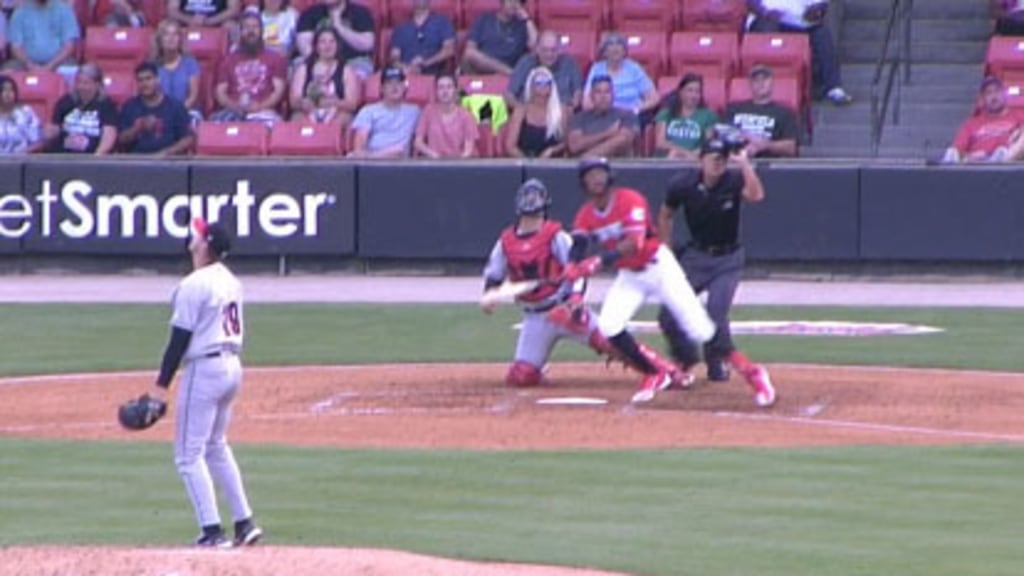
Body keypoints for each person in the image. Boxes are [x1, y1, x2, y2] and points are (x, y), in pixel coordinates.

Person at [140, 217, 263, 548]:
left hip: (205, 370)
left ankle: (212, 531)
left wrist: (160, 388)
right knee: (216, 446)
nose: (192, 237)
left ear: (204, 244)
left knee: (187, 455)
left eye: (197, 234)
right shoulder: (231, 280)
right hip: (232, 368)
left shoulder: (194, 284)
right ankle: (244, 522)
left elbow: (178, 340)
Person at [563, 157, 715, 403]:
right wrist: (572, 265)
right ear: (583, 182)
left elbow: (635, 243)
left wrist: (597, 262)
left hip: (658, 266)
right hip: (630, 275)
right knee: (609, 326)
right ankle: (654, 373)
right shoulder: (586, 215)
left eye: (600, 173)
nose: (597, 179)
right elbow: (579, 244)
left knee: (699, 327)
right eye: (591, 175)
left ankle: (740, 369)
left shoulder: (629, 199)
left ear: (609, 176)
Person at [656, 138, 777, 408]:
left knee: (716, 312)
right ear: (701, 159)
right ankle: (685, 359)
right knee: (668, 312)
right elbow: (665, 213)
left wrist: (744, 163)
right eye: (713, 157)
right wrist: (666, 248)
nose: (718, 162)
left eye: (722, 158)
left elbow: (756, 195)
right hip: (696, 255)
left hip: (727, 257)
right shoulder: (683, 184)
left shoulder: (733, 181)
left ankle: (716, 361)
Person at [482, 178, 626, 388]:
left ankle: (663, 370)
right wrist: (490, 295)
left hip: (564, 309)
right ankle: (538, 368)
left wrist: (575, 299)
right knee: (521, 377)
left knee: (612, 343)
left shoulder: (555, 236)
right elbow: (494, 275)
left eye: (535, 197)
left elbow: (577, 269)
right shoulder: (505, 242)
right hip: (535, 317)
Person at [746, 0, 852, 105]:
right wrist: (766, 12)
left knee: (821, 33)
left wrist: (816, 11)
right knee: (768, 28)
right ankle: (764, 85)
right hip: (767, 18)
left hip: (798, 21)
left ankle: (833, 87)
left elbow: (821, 5)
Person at [210, 12, 288, 123]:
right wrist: (235, 106)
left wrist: (259, 106)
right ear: (240, 31)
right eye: (246, 27)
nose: (251, 31)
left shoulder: (275, 59)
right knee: (214, 125)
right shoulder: (228, 60)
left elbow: (278, 91)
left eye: (255, 27)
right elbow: (220, 92)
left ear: (262, 31)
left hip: (264, 111)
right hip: (233, 110)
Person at [288, 26, 359, 128]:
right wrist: (303, 103)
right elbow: (294, 101)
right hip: (308, 111)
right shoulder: (303, 69)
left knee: (345, 118)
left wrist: (331, 102)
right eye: (323, 42)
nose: (328, 46)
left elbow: (352, 104)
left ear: (337, 45)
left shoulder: (346, 70)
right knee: (296, 118)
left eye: (332, 41)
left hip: (336, 112)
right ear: (316, 46)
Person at [118, 61, 195, 155]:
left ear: (158, 79)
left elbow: (187, 139)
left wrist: (166, 153)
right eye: (140, 80)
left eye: (148, 79)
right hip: (137, 160)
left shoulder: (175, 106)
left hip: (168, 162)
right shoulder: (130, 106)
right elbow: (121, 140)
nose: (144, 84)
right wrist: (137, 129)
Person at [942, 76, 1024, 164]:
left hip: (1007, 161)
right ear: (983, 99)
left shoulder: (1018, 116)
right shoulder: (971, 124)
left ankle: (1000, 159)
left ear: (1004, 94)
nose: (994, 96)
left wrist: (1018, 133)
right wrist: (971, 156)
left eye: (997, 91)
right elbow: (959, 149)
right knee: (952, 152)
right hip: (977, 165)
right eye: (989, 93)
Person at [723, 65, 799, 158]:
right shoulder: (734, 108)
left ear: (772, 82)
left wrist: (765, 145)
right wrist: (747, 138)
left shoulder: (784, 113)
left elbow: (791, 148)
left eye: (765, 79)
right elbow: (722, 133)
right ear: (750, 84)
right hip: (735, 161)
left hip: (768, 164)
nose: (761, 83)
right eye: (756, 80)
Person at [42, 63, 118, 155]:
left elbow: (109, 136)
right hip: (63, 156)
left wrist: (96, 158)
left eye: (86, 83)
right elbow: (54, 127)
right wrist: (50, 132)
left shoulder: (106, 105)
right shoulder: (66, 101)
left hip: (90, 157)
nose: (81, 87)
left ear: (97, 85)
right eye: (78, 82)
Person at [583, 32, 659, 122]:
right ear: (604, 52)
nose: (615, 48)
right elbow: (587, 102)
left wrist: (636, 109)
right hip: (605, 115)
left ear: (624, 51)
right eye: (610, 44)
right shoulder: (597, 69)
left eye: (619, 44)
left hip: (631, 114)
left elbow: (654, 98)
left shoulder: (634, 68)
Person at [347, 65, 420, 158]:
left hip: (402, 163)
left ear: (404, 87)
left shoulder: (415, 111)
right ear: (382, 88)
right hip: (373, 161)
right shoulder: (368, 111)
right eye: (389, 83)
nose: (394, 87)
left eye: (399, 83)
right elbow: (359, 147)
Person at [295, 0, 375, 79]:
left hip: (353, 61)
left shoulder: (360, 12)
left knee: (360, 72)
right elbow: (304, 47)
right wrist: (322, 64)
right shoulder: (310, 13)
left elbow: (368, 44)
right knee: (298, 68)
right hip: (316, 60)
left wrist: (340, 27)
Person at [505, 29, 583, 110]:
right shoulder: (525, 62)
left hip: (561, 113)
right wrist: (521, 110)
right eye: (545, 50)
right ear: (537, 49)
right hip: (529, 113)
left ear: (559, 50)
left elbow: (578, 93)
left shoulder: (569, 63)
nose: (549, 54)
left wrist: (569, 109)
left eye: (553, 50)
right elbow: (509, 95)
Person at [566, 75, 638, 158]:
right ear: (591, 96)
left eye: (607, 92)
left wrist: (588, 155)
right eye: (598, 92)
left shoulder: (627, 115)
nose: (603, 97)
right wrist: (608, 133)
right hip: (585, 169)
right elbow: (574, 146)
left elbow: (623, 140)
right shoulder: (579, 118)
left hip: (618, 165)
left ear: (613, 95)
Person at [505, 65, 566, 158]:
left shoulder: (561, 111)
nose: (543, 86)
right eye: (539, 82)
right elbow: (510, 146)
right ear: (531, 86)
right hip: (524, 162)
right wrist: (529, 164)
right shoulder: (520, 111)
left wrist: (552, 151)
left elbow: (565, 143)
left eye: (546, 82)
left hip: (553, 164)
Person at [461, 0, 536, 75]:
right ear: (502, 2)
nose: (514, 5)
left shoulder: (522, 25)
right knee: (470, 54)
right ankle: (506, 71)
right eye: (510, 1)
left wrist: (527, 19)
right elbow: (470, 50)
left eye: (517, 2)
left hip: (512, 67)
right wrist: (505, 70)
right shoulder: (484, 19)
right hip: (484, 68)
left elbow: (535, 46)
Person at [653, 73, 718, 160]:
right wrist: (682, 152)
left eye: (697, 91)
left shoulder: (708, 115)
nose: (693, 95)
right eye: (689, 90)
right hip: (668, 156)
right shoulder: (666, 113)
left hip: (694, 158)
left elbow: (708, 144)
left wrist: (693, 155)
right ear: (680, 92)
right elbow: (660, 142)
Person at [413, 72, 478, 158]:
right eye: (441, 87)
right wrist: (434, 156)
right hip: (434, 162)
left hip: (458, 164)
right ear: (436, 91)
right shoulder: (428, 111)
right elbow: (418, 142)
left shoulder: (466, 115)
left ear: (455, 90)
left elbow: (468, 150)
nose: (445, 91)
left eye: (449, 87)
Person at [4, 0, 79, 73]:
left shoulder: (64, 10)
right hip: (25, 64)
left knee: (72, 72)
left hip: (59, 63)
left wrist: (50, 66)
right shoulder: (20, 12)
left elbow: (69, 46)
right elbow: (16, 47)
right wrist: (30, 65)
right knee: (6, 73)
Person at [151, 19, 202, 120]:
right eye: (166, 35)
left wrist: (177, 112)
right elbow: (148, 96)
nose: (171, 38)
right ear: (160, 40)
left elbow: (193, 96)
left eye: (175, 35)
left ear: (180, 39)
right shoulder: (152, 66)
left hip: (187, 110)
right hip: (159, 113)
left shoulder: (190, 63)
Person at [388, 0, 456, 76]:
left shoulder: (442, 22)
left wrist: (426, 62)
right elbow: (394, 57)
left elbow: (449, 50)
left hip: (434, 74)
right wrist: (406, 67)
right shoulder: (401, 28)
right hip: (406, 75)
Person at [0, 73, 41, 154]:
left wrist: (23, 153)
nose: (8, 93)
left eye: (11, 90)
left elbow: (37, 142)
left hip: (22, 161)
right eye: (3, 90)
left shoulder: (25, 112)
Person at [167, 0, 242, 30]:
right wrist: (190, 20)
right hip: (187, 23)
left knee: (231, 25)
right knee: (170, 26)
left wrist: (209, 21)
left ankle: (232, 59)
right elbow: (171, 10)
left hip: (217, 22)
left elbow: (234, 9)